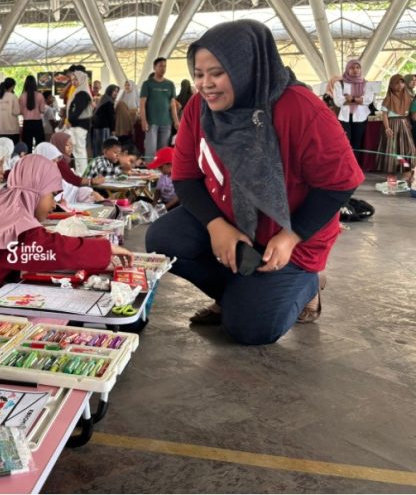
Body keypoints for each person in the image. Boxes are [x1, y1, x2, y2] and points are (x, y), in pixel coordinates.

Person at [144, 20, 364, 345]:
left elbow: (340, 183)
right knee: (164, 238)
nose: (206, 85)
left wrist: (292, 236)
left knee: (249, 329)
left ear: (247, 66)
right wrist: (216, 225)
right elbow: (186, 178)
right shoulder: (198, 109)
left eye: (217, 72)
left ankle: (309, 285)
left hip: (291, 239)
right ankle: (239, 294)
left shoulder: (300, 109)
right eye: (199, 74)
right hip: (235, 225)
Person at [0, 155, 132, 313]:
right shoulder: (17, 229)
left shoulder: (3, 206)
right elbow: (54, 248)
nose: (54, 204)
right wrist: (107, 249)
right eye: (51, 194)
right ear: (35, 191)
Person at [332, 59, 376, 164]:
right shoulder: (340, 84)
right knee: (345, 143)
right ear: (347, 69)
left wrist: (350, 99)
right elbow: (338, 102)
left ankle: (354, 167)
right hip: (344, 118)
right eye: (352, 68)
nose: (355, 70)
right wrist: (358, 99)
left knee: (357, 144)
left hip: (360, 118)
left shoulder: (366, 84)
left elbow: (368, 100)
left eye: (357, 67)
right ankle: (345, 166)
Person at [33, 143, 103, 205]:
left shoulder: (55, 177)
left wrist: (88, 193)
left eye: (56, 162)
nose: (56, 165)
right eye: (53, 161)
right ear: (42, 161)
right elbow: (75, 180)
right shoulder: (35, 182)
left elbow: (72, 191)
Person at [379, 74, 416, 183]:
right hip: (392, 125)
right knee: (393, 150)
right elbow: (384, 114)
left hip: (404, 125)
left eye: (402, 82)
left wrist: (408, 123)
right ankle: (391, 174)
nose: (400, 85)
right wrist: (387, 128)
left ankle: (407, 172)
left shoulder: (408, 97)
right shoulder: (388, 98)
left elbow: (409, 113)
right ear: (391, 85)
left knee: (408, 150)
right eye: (397, 83)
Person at [140, 57, 179, 158]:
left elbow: (172, 105)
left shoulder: (170, 84)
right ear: (154, 67)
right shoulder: (147, 84)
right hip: (151, 123)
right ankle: (149, 172)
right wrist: (143, 121)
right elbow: (142, 104)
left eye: (165, 66)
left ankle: (160, 173)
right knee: (151, 150)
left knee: (163, 151)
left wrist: (176, 121)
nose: (163, 68)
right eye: (160, 66)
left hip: (166, 123)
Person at [66, 70, 93, 175]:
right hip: (78, 124)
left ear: (82, 80)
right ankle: (80, 173)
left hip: (79, 125)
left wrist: (70, 120)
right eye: (72, 80)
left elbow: (77, 111)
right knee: (77, 150)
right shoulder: (79, 91)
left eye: (76, 79)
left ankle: (82, 174)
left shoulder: (82, 93)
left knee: (79, 151)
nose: (74, 82)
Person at [18, 75, 46, 149]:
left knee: (27, 146)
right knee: (40, 145)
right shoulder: (40, 96)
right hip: (37, 123)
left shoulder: (22, 96)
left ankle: (28, 160)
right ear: (35, 84)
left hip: (27, 123)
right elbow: (42, 110)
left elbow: (20, 111)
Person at [91, 84, 119, 155]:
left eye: (117, 91)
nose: (116, 93)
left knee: (98, 148)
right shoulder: (109, 102)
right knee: (104, 147)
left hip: (97, 127)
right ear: (110, 91)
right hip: (103, 128)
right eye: (114, 91)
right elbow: (111, 117)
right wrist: (113, 130)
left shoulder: (103, 99)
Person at [115, 80, 140, 147]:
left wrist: (129, 111)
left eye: (128, 85)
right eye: (125, 85)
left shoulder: (135, 94)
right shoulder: (122, 93)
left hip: (132, 117)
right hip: (122, 119)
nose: (127, 87)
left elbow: (137, 107)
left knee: (130, 135)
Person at [0, 78, 21, 144]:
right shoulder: (13, 96)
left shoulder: (0, 97)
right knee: (14, 148)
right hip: (12, 128)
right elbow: (16, 112)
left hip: (2, 128)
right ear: (13, 86)